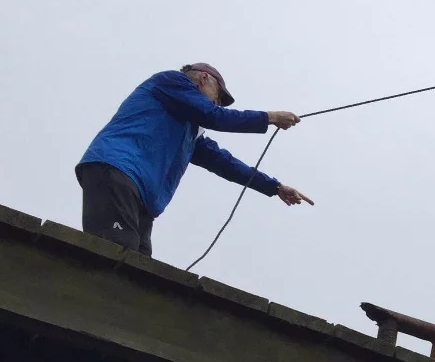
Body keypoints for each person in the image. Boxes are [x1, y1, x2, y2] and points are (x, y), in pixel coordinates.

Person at [76, 63, 312, 257]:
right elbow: (214, 116)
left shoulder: (190, 130)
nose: (216, 104)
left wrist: (274, 187)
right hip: (116, 170)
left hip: (141, 197)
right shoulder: (171, 81)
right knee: (115, 254)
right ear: (204, 79)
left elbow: (224, 163)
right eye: (217, 97)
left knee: (140, 265)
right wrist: (269, 117)